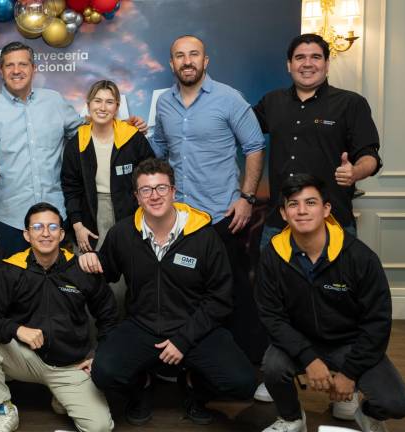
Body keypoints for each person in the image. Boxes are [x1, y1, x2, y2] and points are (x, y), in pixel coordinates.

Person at [81, 158, 255, 426]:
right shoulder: (123, 234)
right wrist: (89, 263)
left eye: (161, 188)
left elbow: (220, 298)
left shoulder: (204, 236)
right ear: (137, 197)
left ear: (174, 192)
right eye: (146, 190)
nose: (155, 196)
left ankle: (194, 387)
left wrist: (184, 340)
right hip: (143, 325)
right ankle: (142, 385)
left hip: (194, 327)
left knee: (242, 382)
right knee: (104, 373)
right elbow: (106, 272)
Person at [256, 174, 405, 432]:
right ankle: (292, 418)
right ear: (283, 213)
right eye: (293, 204)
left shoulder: (360, 258)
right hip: (299, 340)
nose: (302, 211)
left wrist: (350, 373)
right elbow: (272, 316)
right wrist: (309, 359)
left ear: (326, 209)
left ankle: (367, 413)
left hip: (350, 343)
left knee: (397, 403)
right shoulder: (272, 255)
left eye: (311, 203)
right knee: (272, 367)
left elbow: (377, 322)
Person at [0, 41, 146, 257]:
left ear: (34, 69)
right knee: (16, 282)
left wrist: (122, 126)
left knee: (59, 283)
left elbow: (85, 131)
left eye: (23, 64)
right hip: (10, 218)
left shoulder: (54, 101)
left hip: (57, 214)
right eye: (10, 65)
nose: (16, 71)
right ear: (1, 71)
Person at [151, 34, 267, 364]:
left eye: (194, 54)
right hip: (180, 220)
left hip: (221, 216)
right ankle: (192, 366)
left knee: (235, 295)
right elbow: (159, 148)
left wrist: (247, 198)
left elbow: (255, 146)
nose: (187, 61)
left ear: (206, 61)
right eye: (180, 55)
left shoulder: (229, 99)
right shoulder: (164, 104)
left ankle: (253, 362)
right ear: (171, 63)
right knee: (186, 296)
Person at [0, 202, 117, 432]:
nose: (45, 233)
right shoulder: (12, 269)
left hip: (71, 367)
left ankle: (62, 397)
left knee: (100, 428)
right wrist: (17, 330)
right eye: (37, 227)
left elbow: (109, 315)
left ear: (62, 233)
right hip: (25, 358)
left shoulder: (80, 268)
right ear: (27, 235)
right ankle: (4, 409)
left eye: (52, 227)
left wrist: (100, 355)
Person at [253, 33, 381, 248]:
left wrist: (355, 172)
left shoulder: (351, 103)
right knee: (272, 282)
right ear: (289, 64)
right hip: (279, 223)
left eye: (315, 57)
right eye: (300, 57)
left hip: (333, 223)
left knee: (336, 283)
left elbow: (370, 155)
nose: (307, 64)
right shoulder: (272, 101)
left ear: (327, 64)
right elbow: (238, 129)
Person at [61, 79, 154, 311]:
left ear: (117, 107)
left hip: (131, 212)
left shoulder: (133, 138)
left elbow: (152, 175)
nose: (103, 107)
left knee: (130, 272)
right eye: (98, 101)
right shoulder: (77, 143)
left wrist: (146, 215)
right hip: (92, 215)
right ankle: (94, 337)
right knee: (92, 273)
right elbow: (70, 187)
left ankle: (126, 330)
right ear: (88, 104)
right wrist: (78, 225)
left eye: (109, 102)